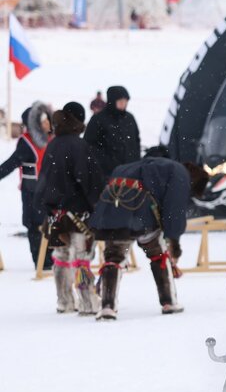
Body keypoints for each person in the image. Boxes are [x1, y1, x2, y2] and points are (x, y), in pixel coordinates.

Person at [88, 151, 209, 320]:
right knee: (158, 253)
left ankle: (107, 306)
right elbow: (174, 211)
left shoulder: (146, 165)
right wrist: (174, 243)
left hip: (111, 206)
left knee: (113, 256)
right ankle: (169, 302)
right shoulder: (180, 173)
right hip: (139, 210)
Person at [35, 102, 105, 315]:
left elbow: (44, 178)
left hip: (55, 213)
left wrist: (48, 205)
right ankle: (87, 302)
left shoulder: (53, 144)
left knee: (62, 256)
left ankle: (64, 300)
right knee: (81, 258)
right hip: (78, 213)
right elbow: (88, 180)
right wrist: (98, 204)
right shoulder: (78, 146)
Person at [0, 102, 53, 268]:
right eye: (42, 120)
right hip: (32, 192)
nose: (46, 123)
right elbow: (10, 164)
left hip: (47, 191)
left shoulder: (50, 139)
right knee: (35, 226)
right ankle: (41, 261)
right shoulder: (26, 143)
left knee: (46, 225)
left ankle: (48, 260)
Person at [84, 85, 141, 176]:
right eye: (120, 101)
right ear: (112, 101)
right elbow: (90, 145)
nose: (123, 104)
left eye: (125, 101)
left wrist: (136, 160)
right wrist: (106, 162)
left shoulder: (130, 118)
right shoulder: (98, 119)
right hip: (107, 173)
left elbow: (136, 141)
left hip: (130, 171)